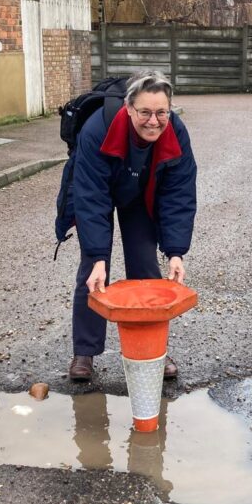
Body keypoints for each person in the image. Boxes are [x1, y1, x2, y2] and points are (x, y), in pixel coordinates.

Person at [61, 70, 197, 382]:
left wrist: (175, 252)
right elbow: (90, 198)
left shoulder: (176, 131)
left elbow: (179, 194)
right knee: (93, 271)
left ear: (170, 110)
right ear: (129, 108)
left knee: (145, 266)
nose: (154, 121)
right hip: (102, 188)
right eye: (145, 112)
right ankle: (84, 351)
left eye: (161, 112)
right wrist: (98, 255)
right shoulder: (97, 130)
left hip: (140, 193)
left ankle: (152, 349)